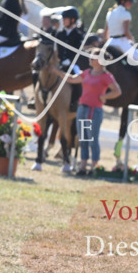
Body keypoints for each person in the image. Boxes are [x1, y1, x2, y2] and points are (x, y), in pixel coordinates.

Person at [54, 44, 121, 175]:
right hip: (82, 108)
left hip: (94, 110)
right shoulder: (87, 73)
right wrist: (56, 71)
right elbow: (72, 79)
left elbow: (117, 91)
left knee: (92, 139)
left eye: (93, 58)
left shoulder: (106, 76)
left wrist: (105, 96)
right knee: (83, 138)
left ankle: (94, 166)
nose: (90, 60)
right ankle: (83, 166)